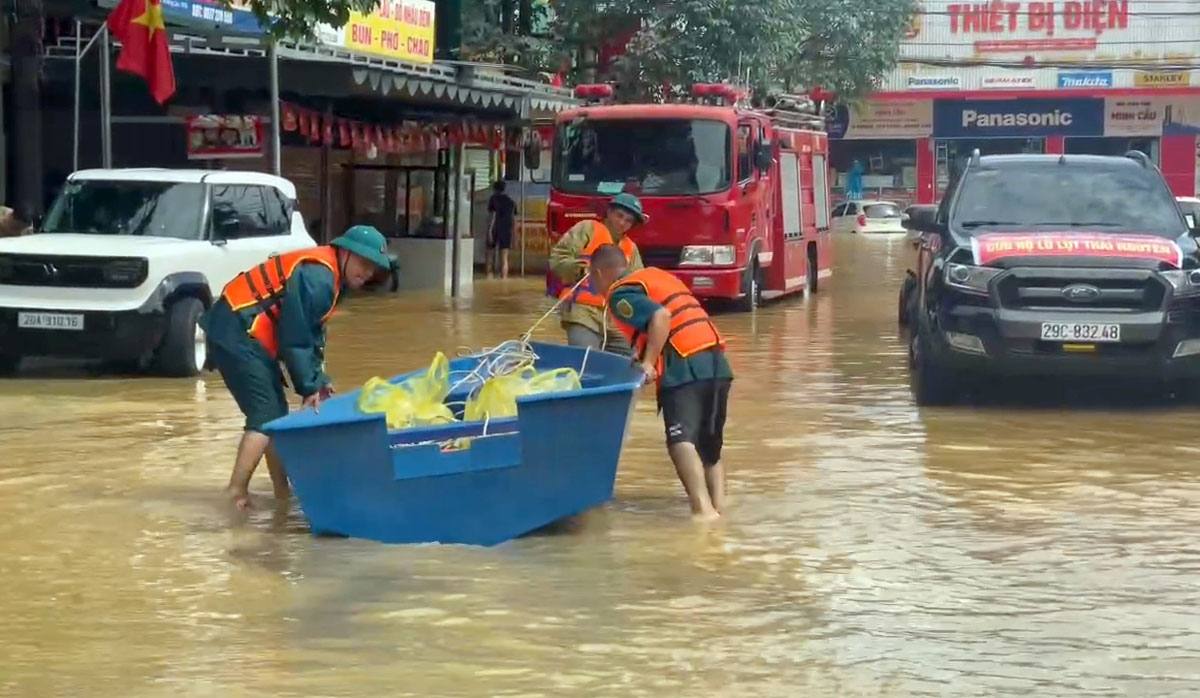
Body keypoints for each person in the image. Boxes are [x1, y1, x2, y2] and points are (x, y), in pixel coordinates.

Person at [200, 225, 394, 510]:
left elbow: (313, 336)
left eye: (372, 269)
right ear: (345, 252)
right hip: (238, 331)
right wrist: (309, 385)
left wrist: (318, 379)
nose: (366, 273)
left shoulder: (329, 277)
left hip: (241, 330)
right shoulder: (320, 277)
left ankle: (283, 495)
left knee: (275, 417)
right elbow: (296, 337)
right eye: (363, 263)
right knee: (267, 416)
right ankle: (235, 492)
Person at [590, 243, 734, 521]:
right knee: (710, 445)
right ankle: (719, 510)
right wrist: (643, 353)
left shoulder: (619, 294)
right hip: (717, 362)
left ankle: (703, 512)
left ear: (599, 273)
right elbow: (671, 313)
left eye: (591, 277)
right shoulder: (654, 275)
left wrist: (647, 363)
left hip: (684, 365)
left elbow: (661, 316)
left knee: (679, 439)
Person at [548, 192, 646, 354]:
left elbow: (640, 285)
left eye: (628, 220)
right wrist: (580, 269)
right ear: (609, 212)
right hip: (582, 312)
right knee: (586, 359)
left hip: (616, 319)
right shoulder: (587, 229)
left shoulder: (631, 248)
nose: (622, 223)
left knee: (630, 362)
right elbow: (558, 259)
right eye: (619, 216)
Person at [486, 180, 517, 278]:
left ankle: (489, 276)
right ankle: (504, 278)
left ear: (495, 189)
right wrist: (514, 235)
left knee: (490, 254)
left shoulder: (493, 199)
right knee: (504, 257)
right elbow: (513, 220)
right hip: (506, 229)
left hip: (495, 228)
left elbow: (493, 216)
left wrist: (489, 230)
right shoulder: (511, 202)